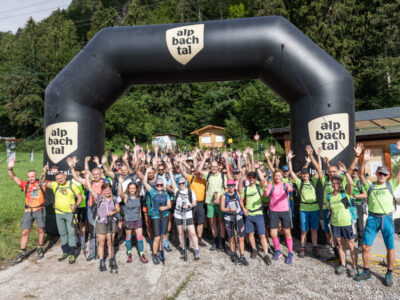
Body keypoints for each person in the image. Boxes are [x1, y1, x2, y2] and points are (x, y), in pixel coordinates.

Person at [355, 143, 400, 287]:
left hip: (387, 218)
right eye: (379, 173)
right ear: (377, 174)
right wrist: (364, 161)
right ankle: (367, 271)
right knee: (365, 246)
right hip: (373, 218)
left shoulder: (391, 183)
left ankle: (389, 273)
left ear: (387, 175)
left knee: (390, 248)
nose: (381, 175)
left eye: (384, 173)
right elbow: (361, 175)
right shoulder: (370, 185)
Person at [8, 158, 47, 264]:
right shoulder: (25, 185)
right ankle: (22, 252)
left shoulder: (41, 183)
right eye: (29, 177)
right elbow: (13, 177)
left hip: (40, 209)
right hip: (28, 211)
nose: (31, 178)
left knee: (41, 230)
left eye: (32, 176)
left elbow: (45, 177)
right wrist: (10, 168)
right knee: (25, 232)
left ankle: (40, 247)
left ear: (36, 176)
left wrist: (45, 171)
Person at [42, 170, 82, 264]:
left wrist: (76, 205)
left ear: (65, 176)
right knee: (62, 233)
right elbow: (43, 182)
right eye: (57, 179)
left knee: (71, 233)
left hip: (70, 213)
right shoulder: (55, 185)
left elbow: (79, 197)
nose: (60, 180)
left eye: (61, 178)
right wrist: (44, 173)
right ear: (56, 180)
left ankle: (72, 253)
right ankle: (65, 252)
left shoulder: (72, 185)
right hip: (59, 213)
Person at [287, 150, 321, 258]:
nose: (305, 175)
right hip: (304, 209)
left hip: (314, 208)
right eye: (303, 174)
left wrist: (318, 157)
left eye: (306, 173)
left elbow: (319, 170)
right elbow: (291, 171)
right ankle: (302, 247)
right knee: (303, 230)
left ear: (308, 174)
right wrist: (289, 159)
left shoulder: (313, 181)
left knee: (314, 229)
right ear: (302, 175)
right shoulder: (299, 182)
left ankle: (315, 247)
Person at [327, 164, 358, 277]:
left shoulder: (345, 193)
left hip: (347, 224)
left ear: (340, 184)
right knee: (340, 244)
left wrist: (345, 172)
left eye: (337, 183)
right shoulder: (329, 196)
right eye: (333, 183)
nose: (335, 185)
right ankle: (343, 265)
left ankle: (354, 267)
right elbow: (330, 209)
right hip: (335, 224)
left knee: (351, 245)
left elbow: (350, 183)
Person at [86, 179, 120, 272]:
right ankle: (101, 262)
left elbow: (118, 209)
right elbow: (90, 188)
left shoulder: (114, 198)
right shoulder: (99, 197)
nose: (108, 191)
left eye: (109, 190)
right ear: (102, 191)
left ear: (111, 190)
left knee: (110, 243)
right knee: (101, 243)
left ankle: (111, 260)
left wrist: (112, 212)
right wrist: (88, 178)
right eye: (105, 190)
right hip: (101, 223)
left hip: (111, 222)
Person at [198, 150, 227, 252]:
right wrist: (204, 158)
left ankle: (222, 243)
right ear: (210, 167)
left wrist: (220, 197)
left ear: (218, 167)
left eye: (215, 167)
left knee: (221, 222)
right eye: (212, 167)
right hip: (210, 202)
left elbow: (227, 188)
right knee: (212, 222)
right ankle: (215, 241)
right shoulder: (208, 174)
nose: (213, 168)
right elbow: (198, 171)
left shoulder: (223, 176)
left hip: (220, 202)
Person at [241, 171, 271, 265]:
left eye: (253, 177)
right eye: (249, 177)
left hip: (258, 213)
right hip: (249, 214)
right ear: (247, 178)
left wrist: (258, 169)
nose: (251, 178)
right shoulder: (245, 189)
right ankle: (254, 249)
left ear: (255, 178)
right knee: (250, 233)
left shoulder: (259, 187)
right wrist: (243, 208)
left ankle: (266, 255)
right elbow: (241, 200)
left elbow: (263, 180)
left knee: (262, 235)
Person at [143, 166, 172, 265]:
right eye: (158, 184)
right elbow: (144, 183)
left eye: (161, 184)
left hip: (165, 215)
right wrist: (147, 172)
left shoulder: (165, 193)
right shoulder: (152, 191)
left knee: (163, 236)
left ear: (163, 185)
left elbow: (169, 205)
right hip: (155, 216)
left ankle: (160, 252)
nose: (159, 186)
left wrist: (165, 208)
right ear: (155, 185)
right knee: (157, 237)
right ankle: (154, 254)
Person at [264, 169, 294, 264]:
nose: (278, 177)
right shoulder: (271, 185)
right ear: (273, 177)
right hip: (273, 211)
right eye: (276, 175)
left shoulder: (286, 184)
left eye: (279, 175)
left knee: (287, 232)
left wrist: (289, 189)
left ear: (281, 176)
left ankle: (290, 253)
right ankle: (278, 251)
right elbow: (266, 195)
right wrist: (265, 190)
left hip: (284, 211)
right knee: (273, 233)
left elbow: (290, 189)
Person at [117, 176, 148, 263]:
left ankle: (142, 254)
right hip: (128, 220)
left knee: (140, 237)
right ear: (128, 189)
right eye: (130, 188)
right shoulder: (126, 197)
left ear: (136, 189)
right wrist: (120, 183)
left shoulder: (139, 197)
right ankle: (129, 254)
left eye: (133, 188)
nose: (132, 190)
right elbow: (120, 193)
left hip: (137, 220)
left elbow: (139, 209)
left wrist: (141, 219)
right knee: (128, 237)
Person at [180, 158, 207, 247]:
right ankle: (187, 238)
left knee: (200, 221)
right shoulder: (191, 178)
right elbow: (183, 173)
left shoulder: (204, 180)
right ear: (196, 172)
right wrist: (180, 162)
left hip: (200, 203)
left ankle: (199, 238)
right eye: (198, 172)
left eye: (200, 172)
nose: (199, 173)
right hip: (191, 203)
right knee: (189, 221)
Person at [221, 179, 248, 266]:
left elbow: (241, 204)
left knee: (241, 237)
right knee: (231, 237)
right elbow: (222, 209)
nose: (231, 187)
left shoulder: (237, 194)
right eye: (229, 186)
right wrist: (230, 210)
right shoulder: (224, 196)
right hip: (229, 218)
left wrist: (243, 209)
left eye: (232, 185)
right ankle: (233, 253)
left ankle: (242, 256)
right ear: (227, 187)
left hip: (239, 217)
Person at [345, 143, 367, 250]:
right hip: (349, 206)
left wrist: (354, 195)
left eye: (356, 171)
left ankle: (360, 244)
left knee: (359, 225)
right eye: (353, 171)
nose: (354, 172)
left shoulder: (360, 182)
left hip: (358, 206)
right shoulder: (347, 181)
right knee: (350, 224)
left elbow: (365, 194)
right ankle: (352, 243)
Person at [173, 176, 200, 260]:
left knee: (192, 232)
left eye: (183, 183)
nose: (181, 185)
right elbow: (173, 182)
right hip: (178, 214)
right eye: (180, 183)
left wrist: (189, 205)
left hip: (188, 214)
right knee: (180, 232)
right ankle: (183, 248)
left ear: (185, 183)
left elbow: (195, 203)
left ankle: (196, 250)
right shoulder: (177, 191)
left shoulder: (190, 191)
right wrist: (170, 170)